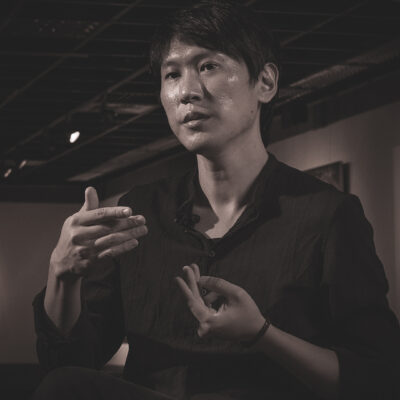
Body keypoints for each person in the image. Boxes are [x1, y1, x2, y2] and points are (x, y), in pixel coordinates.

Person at [32, 1, 400, 399]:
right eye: (172, 74)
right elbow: (69, 362)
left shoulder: (327, 215)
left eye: (208, 66)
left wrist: (262, 334)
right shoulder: (141, 213)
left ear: (265, 82)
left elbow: (376, 379)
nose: (187, 92)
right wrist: (62, 275)